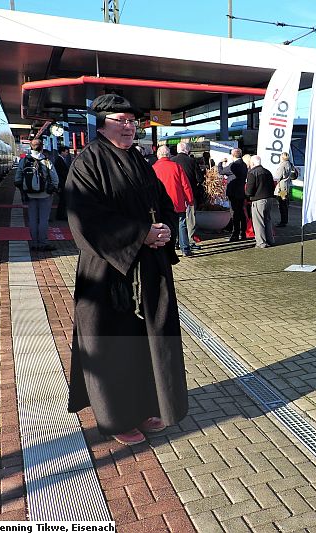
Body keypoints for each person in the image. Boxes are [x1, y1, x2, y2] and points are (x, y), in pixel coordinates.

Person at [65, 94, 188, 446]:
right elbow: (85, 220)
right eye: (121, 120)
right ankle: (117, 418)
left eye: (132, 121)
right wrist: (140, 234)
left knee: (147, 343)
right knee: (113, 347)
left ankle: (147, 406)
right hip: (108, 274)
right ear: (102, 124)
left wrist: (165, 229)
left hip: (148, 268)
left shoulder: (138, 159)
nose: (130, 126)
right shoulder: (87, 163)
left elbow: (163, 203)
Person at [14, 137, 59, 251]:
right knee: (43, 219)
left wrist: (23, 190)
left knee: (33, 220)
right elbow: (55, 178)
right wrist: (53, 189)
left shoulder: (24, 161)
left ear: (31, 148)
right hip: (45, 195)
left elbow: (18, 178)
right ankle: (43, 243)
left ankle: (34, 243)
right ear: (42, 148)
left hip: (30, 194)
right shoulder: (46, 161)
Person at [154, 145, 195, 257]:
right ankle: (185, 249)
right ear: (169, 155)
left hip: (161, 203)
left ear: (158, 155)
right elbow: (185, 185)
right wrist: (190, 200)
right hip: (177, 201)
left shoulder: (153, 168)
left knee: (163, 226)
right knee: (181, 225)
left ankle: (167, 249)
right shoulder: (176, 167)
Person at [172, 142, 202, 250]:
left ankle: (176, 241)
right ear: (187, 150)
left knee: (177, 219)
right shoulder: (192, 161)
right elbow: (200, 178)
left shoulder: (172, 161)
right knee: (190, 218)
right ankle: (190, 240)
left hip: (175, 194)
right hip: (190, 193)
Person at [245, 155, 276, 248]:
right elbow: (272, 186)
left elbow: (249, 190)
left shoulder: (252, 173)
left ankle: (261, 242)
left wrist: (248, 196)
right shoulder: (267, 172)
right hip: (269, 199)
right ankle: (270, 240)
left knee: (258, 222)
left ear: (252, 163)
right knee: (267, 220)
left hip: (258, 200)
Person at [222, 148, 248, 242]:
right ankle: (243, 232)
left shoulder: (233, 165)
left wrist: (221, 163)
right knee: (241, 212)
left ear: (233, 156)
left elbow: (221, 171)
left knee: (234, 213)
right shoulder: (244, 165)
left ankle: (235, 234)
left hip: (233, 192)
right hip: (241, 192)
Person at [273, 152, 294, 227]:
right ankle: (284, 220)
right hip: (286, 186)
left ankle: (283, 221)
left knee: (282, 204)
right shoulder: (289, 164)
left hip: (281, 188)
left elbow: (277, 177)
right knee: (284, 204)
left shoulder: (282, 165)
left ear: (282, 157)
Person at [54, 145, 72, 221]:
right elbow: (62, 173)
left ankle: (60, 215)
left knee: (62, 200)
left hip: (61, 182)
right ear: (62, 152)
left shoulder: (59, 160)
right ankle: (60, 215)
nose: (67, 154)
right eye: (66, 152)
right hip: (62, 183)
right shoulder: (59, 160)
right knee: (62, 200)